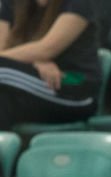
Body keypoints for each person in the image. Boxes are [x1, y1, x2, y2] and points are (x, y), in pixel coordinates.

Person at [0, 0, 101, 130]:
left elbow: (46, 49)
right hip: (29, 81)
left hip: (74, 81)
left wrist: (35, 57)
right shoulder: (12, 3)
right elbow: (3, 50)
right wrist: (34, 60)